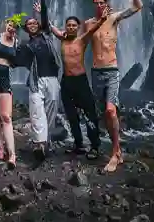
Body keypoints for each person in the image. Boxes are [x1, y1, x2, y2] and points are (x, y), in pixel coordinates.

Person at [83, 0, 143, 173]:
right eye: (96, 2)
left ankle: (116, 152)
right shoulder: (89, 23)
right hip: (96, 73)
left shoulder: (114, 18)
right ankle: (116, 151)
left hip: (112, 71)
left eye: (102, 2)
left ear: (106, 3)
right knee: (104, 115)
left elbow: (137, 6)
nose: (99, 5)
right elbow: (80, 42)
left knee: (110, 110)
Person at [47, 13, 110, 159]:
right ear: (66, 27)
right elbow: (50, 26)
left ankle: (95, 146)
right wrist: (40, 11)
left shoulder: (82, 40)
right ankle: (78, 144)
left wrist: (102, 19)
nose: (71, 27)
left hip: (81, 81)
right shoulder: (62, 39)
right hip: (66, 81)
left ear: (78, 27)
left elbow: (92, 30)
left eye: (74, 25)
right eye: (68, 25)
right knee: (71, 115)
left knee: (89, 114)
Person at [15, 0, 63, 162]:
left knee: (50, 112)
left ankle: (46, 141)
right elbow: (17, 59)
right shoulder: (26, 44)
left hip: (52, 79)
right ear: (26, 29)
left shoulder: (47, 35)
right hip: (35, 81)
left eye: (35, 23)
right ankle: (39, 144)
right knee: (36, 112)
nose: (33, 25)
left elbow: (44, 16)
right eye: (29, 24)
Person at [0, 14, 22, 169]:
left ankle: (12, 154)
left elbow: (16, 62)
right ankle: (1, 148)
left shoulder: (16, 42)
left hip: (4, 78)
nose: (11, 27)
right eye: (10, 24)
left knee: (6, 116)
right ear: (5, 24)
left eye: (15, 26)